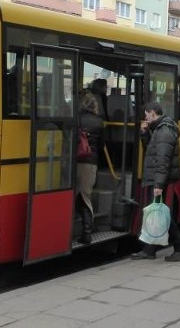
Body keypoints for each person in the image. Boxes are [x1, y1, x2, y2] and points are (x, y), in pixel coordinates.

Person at [131, 101, 180, 261]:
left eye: (146, 114)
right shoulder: (158, 129)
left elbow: (163, 160)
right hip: (155, 177)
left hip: (158, 179)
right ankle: (149, 250)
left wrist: (158, 184)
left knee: (160, 214)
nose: (145, 117)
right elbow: (152, 150)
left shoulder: (164, 130)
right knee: (155, 213)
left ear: (152, 113)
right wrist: (144, 133)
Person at [75, 92, 105, 244]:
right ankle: (87, 232)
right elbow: (101, 145)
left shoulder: (77, 119)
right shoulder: (99, 122)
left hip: (74, 161)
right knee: (85, 196)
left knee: (75, 194)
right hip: (90, 162)